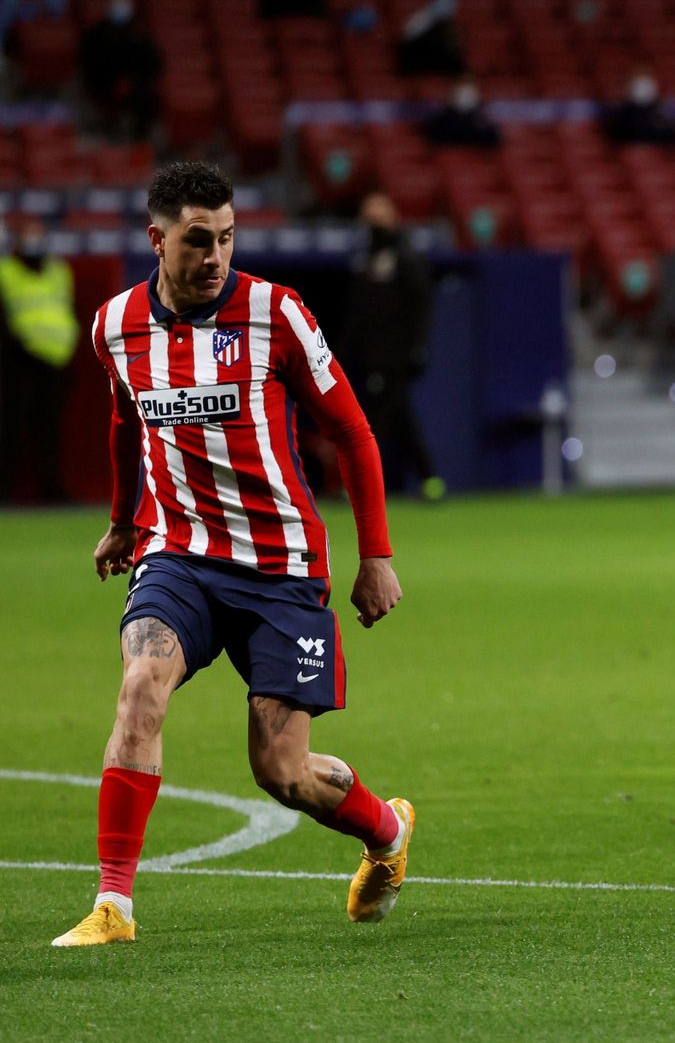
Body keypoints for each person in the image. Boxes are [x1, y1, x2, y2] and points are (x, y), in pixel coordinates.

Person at [52, 162, 414, 947]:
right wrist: (123, 521)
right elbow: (125, 425)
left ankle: (386, 833)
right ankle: (114, 906)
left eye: (226, 238)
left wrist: (374, 555)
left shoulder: (276, 314)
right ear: (156, 238)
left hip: (282, 569)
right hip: (179, 555)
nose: (214, 256)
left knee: (281, 773)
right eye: (196, 240)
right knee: (141, 686)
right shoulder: (115, 325)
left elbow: (351, 432)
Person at [344, 191, 444, 499]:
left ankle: (364, 486)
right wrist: (345, 350)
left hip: (397, 355)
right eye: (368, 218)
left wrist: (418, 346)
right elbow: (356, 311)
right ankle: (430, 479)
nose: (373, 223)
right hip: (370, 356)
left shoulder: (406, 256)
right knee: (398, 419)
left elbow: (421, 305)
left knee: (379, 421)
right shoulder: (363, 259)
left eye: (378, 217)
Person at [0, 216, 77, 502]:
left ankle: (51, 491)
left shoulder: (58, 270)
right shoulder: (5, 271)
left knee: (49, 432)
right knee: (12, 430)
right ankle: (6, 494)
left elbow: (67, 309)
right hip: (18, 360)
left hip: (56, 361)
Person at [76, 0, 162, 141]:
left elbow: (153, 63)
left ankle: (139, 140)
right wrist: (114, 82)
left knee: (146, 96)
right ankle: (108, 128)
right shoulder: (96, 33)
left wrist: (131, 81)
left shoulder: (138, 33)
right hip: (103, 82)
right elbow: (88, 62)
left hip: (134, 85)